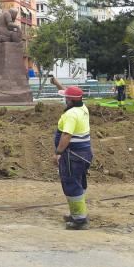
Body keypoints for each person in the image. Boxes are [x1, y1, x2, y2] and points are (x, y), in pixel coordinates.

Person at [50, 76, 93, 230]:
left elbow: (66, 136)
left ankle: (80, 220)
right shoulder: (82, 108)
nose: (65, 99)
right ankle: (77, 213)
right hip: (85, 154)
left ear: (70, 101)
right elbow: (68, 93)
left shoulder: (70, 115)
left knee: (71, 183)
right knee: (78, 183)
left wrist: (58, 153)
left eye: (66, 98)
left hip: (72, 155)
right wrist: (57, 84)